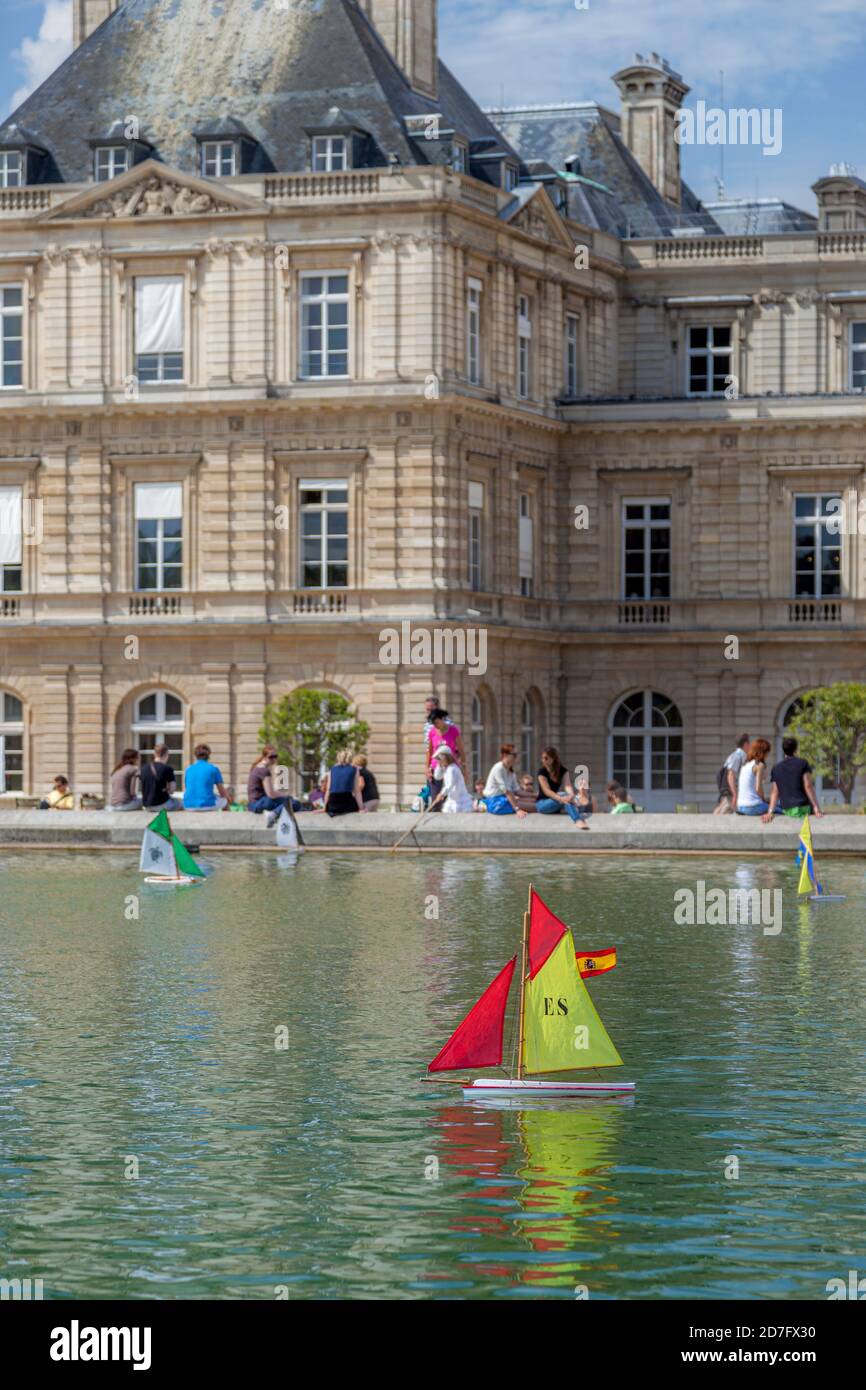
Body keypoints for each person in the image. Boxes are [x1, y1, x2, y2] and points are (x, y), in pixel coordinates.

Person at [762, 737, 823, 822]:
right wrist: (816, 807)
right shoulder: (803, 763)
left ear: (783, 750)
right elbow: (808, 785)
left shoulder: (776, 768)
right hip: (803, 808)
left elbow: (775, 791)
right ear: (796, 749)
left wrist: (770, 812)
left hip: (786, 810)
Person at [535, 747, 588, 828]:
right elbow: (547, 791)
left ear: (553, 758)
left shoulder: (563, 771)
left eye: (546, 758)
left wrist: (570, 795)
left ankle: (576, 811)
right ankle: (578, 820)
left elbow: (567, 785)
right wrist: (561, 798)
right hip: (542, 804)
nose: (543, 760)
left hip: (556, 802)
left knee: (566, 795)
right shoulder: (542, 772)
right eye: (542, 758)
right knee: (563, 795)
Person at [247, 745, 300, 823]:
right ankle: (273, 814)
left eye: (275, 756)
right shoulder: (263, 770)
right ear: (264, 757)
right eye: (271, 757)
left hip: (253, 804)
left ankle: (274, 813)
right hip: (259, 803)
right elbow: (271, 794)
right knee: (294, 803)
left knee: (290, 801)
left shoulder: (256, 768)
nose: (274, 759)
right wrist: (283, 795)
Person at [427, 709, 465, 811]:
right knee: (436, 800)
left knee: (451, 797)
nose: (435, 725)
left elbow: (461, 750)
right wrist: (428, 768)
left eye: (436, 723)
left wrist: (464, 768)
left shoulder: (453, 730)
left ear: (442, 719)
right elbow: (430, 751)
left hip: (450, 767)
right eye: (433, 724)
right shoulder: (432, 732)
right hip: (436, 767)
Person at [483, 745, 527, 817]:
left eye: (517, 754)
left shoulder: (511, 772)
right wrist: (517, 809)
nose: (516, 757)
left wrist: (534, 796)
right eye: (514, 755)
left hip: (504, 799)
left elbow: (517, 791)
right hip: (495, 802)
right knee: (532, 806)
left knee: (533, 801)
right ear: (505, 755)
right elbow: (506, 791)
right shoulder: (498, 768)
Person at [183, 744, 229, 811]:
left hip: (188, 805)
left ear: (196, 756)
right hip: (206, 804)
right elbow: (222, 792)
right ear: (208, 755)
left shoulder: (188, 769)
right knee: (225, 801)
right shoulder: (213, 768)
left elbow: (189, 788)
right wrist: (230, 799)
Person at [714, 733, 750, 815]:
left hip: (731, 789)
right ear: (745, 744)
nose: (750, 746)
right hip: (732, 789)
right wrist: (734, 793)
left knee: (722, 808)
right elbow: (731, 774)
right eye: (749, 743)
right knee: (726, 811)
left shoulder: (738, 755)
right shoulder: (737, 756)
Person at [430, 746, 474, 813]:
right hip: (452, 800)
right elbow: (437, 777)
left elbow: (449, 785)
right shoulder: (446, 768)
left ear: (445, 757)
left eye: (439, 759)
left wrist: (441, 794)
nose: (438, 761)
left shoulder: (452, 769)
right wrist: (439, 765)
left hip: (461, 801)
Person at [736, 738, 772, 816]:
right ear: (763, 752)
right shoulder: (759, 765)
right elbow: (758, 787)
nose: (768, 755)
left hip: (740, 806)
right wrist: (763, 800)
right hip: (753, 806)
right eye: (767, 752)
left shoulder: (745, 765)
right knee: (778, 808)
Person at [140, 744, 181, 811]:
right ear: (166, 754)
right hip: (161, 804)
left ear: (154, 754)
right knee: (178, 802)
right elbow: (172, 790)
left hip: (146, 806)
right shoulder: (168, 769)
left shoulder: (143, 768)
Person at [323, 750, 364, 817]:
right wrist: (361, 808)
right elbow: (357, 791)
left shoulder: (332, 769)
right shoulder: (354, 769)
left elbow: (328, 789)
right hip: (346, 801)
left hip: (333, 803)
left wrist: (324, 808)